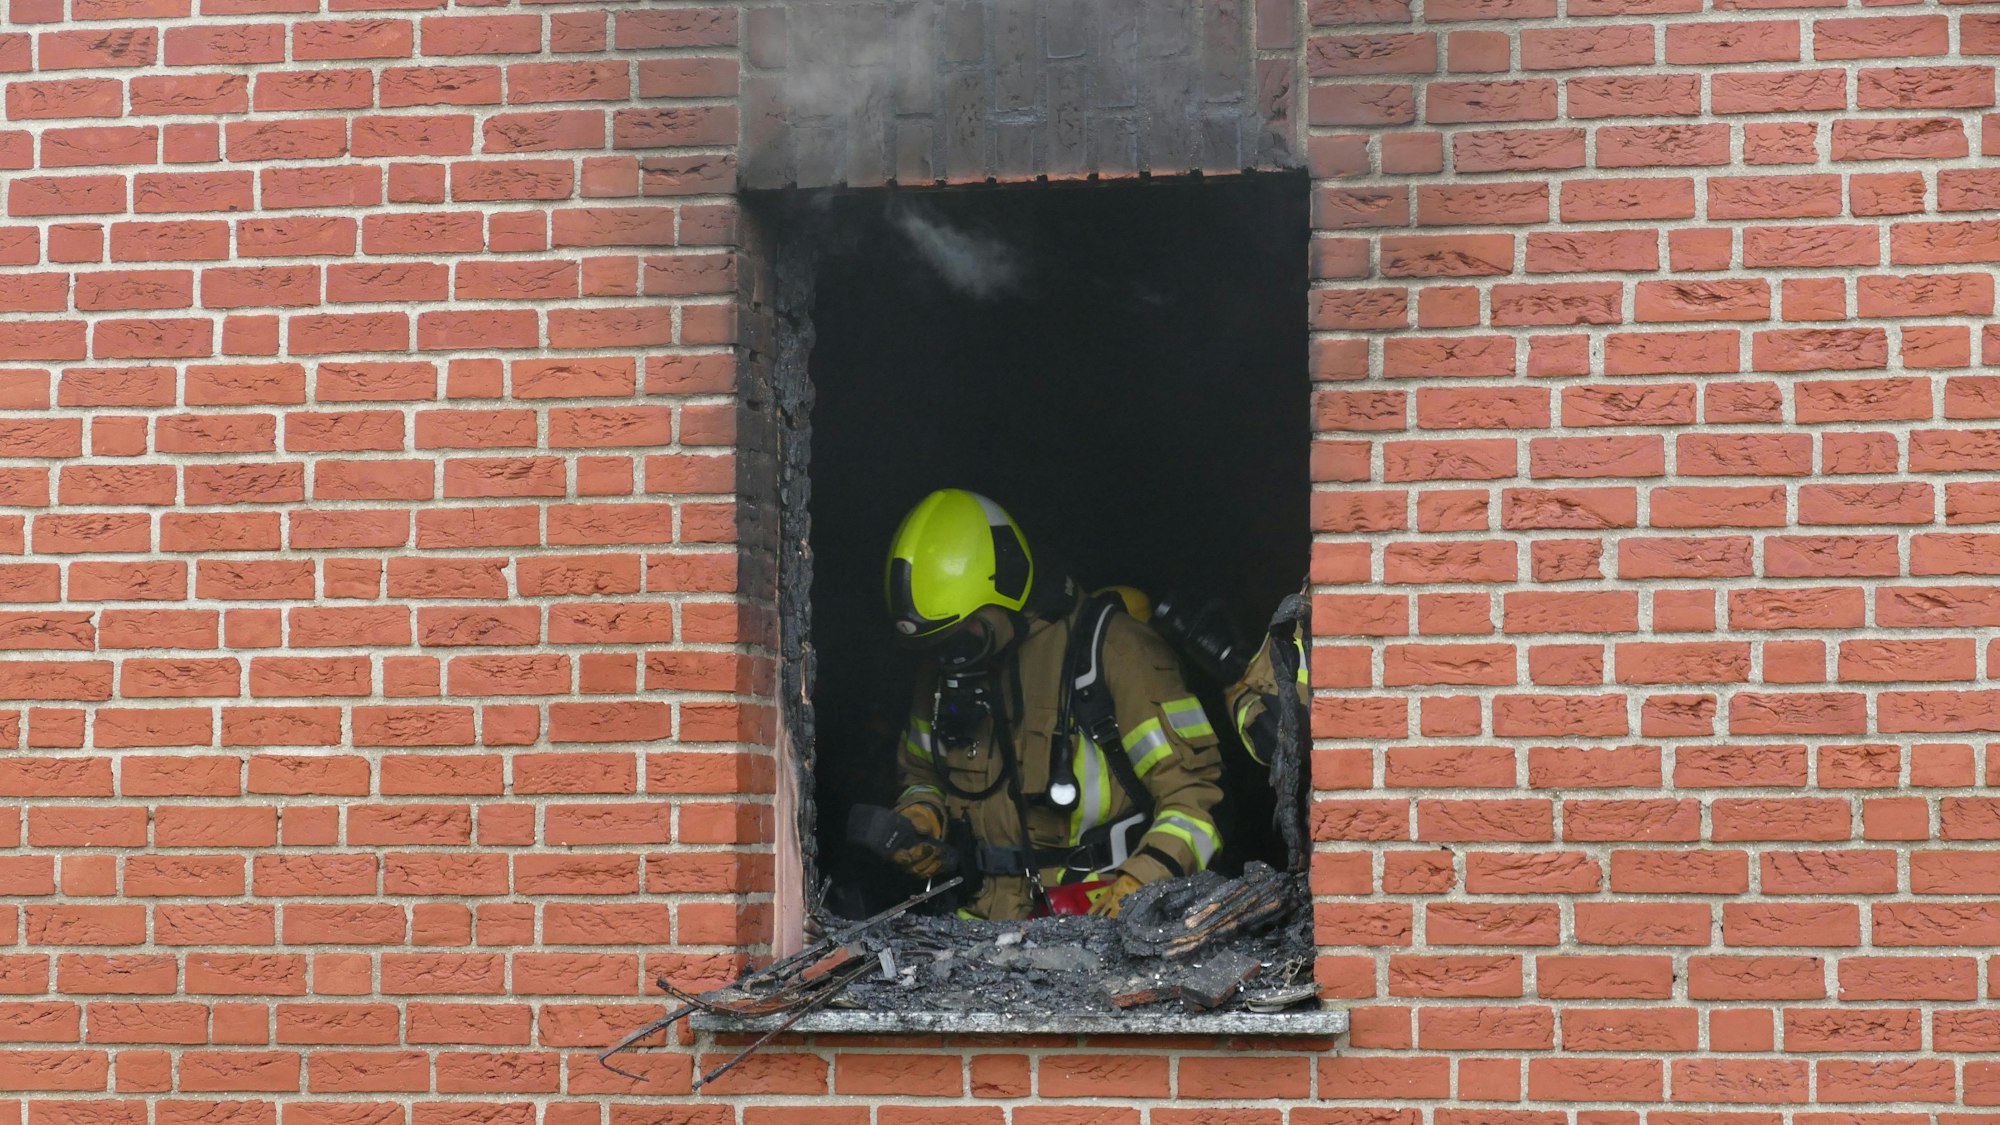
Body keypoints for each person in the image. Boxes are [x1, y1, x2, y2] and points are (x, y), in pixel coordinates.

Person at [879, 488, 1224, 921]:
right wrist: (922, 811)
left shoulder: (1115, 653)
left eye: (967, 635)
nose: (953, 655)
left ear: (1007, 588)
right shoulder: (943, 670)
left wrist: (1141, 884)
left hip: (1095, 923)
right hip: (971, 928)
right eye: (937, 644)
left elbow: (1193, 800)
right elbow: (921, 772)